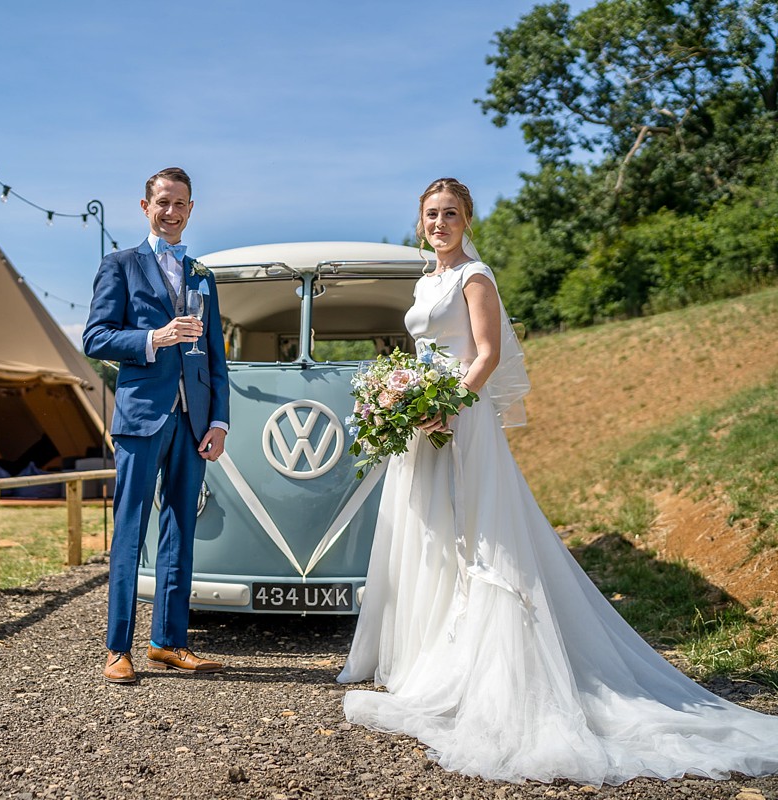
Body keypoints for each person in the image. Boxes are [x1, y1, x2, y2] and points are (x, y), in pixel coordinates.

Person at [337, 178, 778, 784]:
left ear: (467, 221)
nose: (440, 223)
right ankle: (428, 657)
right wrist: (401, 397)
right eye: (432, 215)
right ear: (420, 222)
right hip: (424, 419)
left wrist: (447, 402)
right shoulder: (425, 280)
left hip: (459, 419)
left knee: (477, 534)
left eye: (451, 215)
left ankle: (491, 666)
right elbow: (421, 350)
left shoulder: (475, 277)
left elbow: (486, 353)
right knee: (431, 534)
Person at [82, 167, 230, 684]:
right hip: (142, 417)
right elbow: (96, 338)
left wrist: (219, 419)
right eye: (162, 202)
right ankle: (117, 648)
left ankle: (168, 642)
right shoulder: (119, 265)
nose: (171, 212)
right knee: (129, 532)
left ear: (192, 210)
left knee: (181, 530)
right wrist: (155, 338)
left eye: (181, 204)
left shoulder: (203, 275)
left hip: (194, 422)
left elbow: (216, 356)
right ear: (145, 206)